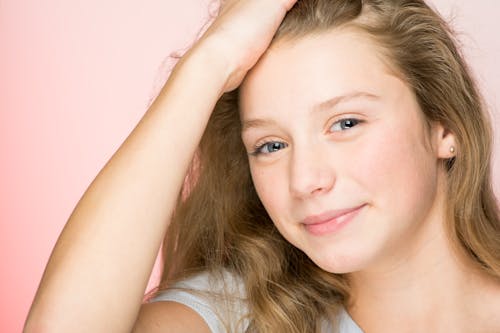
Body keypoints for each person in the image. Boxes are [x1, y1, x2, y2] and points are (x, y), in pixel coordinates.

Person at [24, 0, 500, 332]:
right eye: (270, 146)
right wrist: (207, 63)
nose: (306, 180)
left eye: (345, 122)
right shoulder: (237, 314)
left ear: (444, 127)